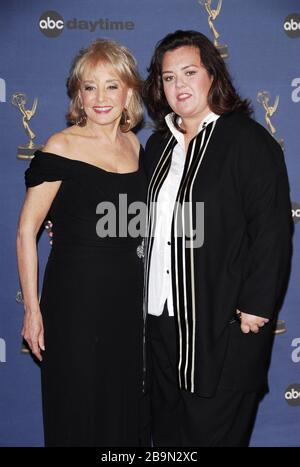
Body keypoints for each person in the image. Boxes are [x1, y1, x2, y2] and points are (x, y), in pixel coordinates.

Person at [142, 30, 292, 447]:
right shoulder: (156, 147)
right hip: (160, 326)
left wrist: (257, 306)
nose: (179, 85)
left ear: (213, 75)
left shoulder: (247, 141)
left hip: (223, 327)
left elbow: (273, 230)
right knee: (168, 441)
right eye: (168, 77)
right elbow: (137, 221)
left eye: (190, 72)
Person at [16, 39, 150, 447]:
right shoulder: (61, 146)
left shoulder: (137, 146)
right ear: (78, 94)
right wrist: (33, 310)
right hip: (74, 298)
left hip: (127, 299)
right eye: (89, 87)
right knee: (75, 405)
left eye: (112, 85)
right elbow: (26, 231)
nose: (100, 97)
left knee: (123, 405)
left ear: (129, 91)